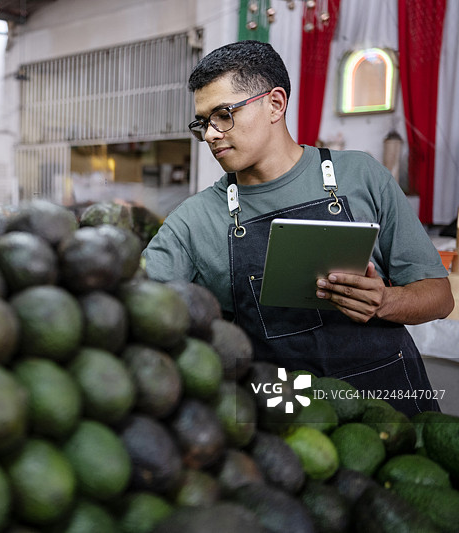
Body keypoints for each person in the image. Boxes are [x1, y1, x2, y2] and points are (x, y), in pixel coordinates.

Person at [142, 40, 454, 416]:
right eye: (203, 122)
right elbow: (137, 302)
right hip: (284, 412)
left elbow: (439, 296)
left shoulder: (360, 176)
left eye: (223, 115)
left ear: (275, 104)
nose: (210, 134)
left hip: (390, 400)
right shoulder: (194, 221)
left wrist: (385, 301)